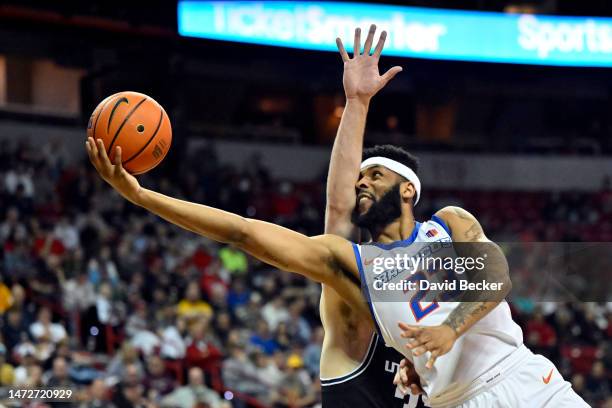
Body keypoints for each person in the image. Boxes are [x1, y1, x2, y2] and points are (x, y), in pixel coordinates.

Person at [85, 29, 586, 408]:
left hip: (525, 382)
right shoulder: (355, 265)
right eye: (359, 176)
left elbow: (495, 276)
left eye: (374, 175)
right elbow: (244, 231)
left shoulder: (448, 224)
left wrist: (449, 332)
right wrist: (143, 196)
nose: (361, 182)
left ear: (408, 189)